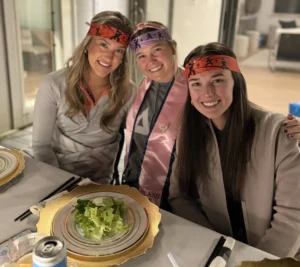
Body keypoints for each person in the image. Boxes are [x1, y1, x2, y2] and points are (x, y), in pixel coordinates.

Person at [168, 42, 300, 258]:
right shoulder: (189, 132)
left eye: (217, 80)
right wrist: (214, 248)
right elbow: (180, 196)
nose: (207, 93)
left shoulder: (277, 132)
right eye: (196, 84)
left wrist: (254, 263)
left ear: (236, 83)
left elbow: (292, 216)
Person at [32, 11, 136, 183]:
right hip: (54, 173)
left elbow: (139, 141)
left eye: (118, 51)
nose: (109, 57)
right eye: (103, 44)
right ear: (88, 44)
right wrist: (60, 187)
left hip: (99, 180)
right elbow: (41, 146)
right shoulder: (52, 84)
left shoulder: (129, 92)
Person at [122, 21, 188, 209]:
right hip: (131, 183)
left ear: (172, 48)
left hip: (172, 196)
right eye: (141, 56)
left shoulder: (194, 90)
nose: (150, 62)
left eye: (157, 50)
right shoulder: (141, 87)